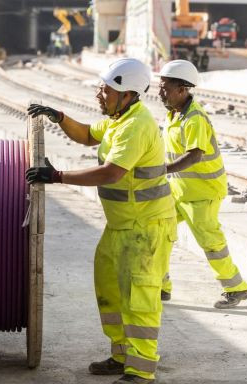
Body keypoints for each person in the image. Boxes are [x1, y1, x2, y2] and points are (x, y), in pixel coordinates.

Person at [27, 58, 176, 384]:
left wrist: (58, 176)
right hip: (121, 225)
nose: (99, 93)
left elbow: (111, 173)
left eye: (106, 89)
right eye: (101, 87)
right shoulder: (118, 119)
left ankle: (140, 369)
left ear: (128, 94)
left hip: (146, 227)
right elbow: (86, 135)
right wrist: (60, 117)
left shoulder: (137, 126)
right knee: (109, 287)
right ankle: (121, 355)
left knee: (140, 297)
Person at [158, 60, 247, 308]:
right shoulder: (173, 114)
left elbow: (194, 155)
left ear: (182, 89)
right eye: (160, 87)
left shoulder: (194, 118)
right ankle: (160, 286)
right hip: (179, 191)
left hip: (203, 193)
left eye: (165, 88)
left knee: (211, 242)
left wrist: (161, 170)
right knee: (158, 230)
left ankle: (236, 287)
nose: (160, 92)